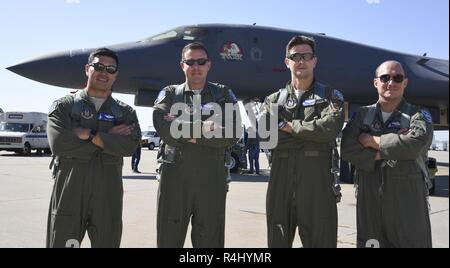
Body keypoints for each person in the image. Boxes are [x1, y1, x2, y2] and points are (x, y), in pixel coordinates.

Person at [46, 48, 141, 248]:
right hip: (70, 190)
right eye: (98, 66)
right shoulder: (65, 106)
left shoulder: (125, 112)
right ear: (87, 69)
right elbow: (59, 144)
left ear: (116, 75)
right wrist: (108, 140)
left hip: (108, 193)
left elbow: (129, 147)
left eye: (110, 69)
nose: (103, 72)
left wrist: (90, 135)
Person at [153, 42, 241, 248]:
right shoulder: (170, 93)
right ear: (182, 65)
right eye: (190, 62)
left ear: (209, 64)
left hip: (212, 178)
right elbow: (162, 125)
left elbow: (234, 131)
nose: (196, 66)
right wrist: (206, 128)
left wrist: (182, 128)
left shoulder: (223, 94)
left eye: (201, 61)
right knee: (169, 238)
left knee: (209, 239)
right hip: (174, 177)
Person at [260, 35, 344, 248]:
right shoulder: (272, 100)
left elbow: (329, 130)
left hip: (318, 183)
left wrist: (289, 127)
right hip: (281, 182)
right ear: (286, 61)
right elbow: (267, 137)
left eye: (306, 56)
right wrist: (310, 135)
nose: (301, 60)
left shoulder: (331, 96)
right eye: (295, 56)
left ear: (314, 60)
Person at [341, 60, 433, 248]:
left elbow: (415, 145)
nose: (391, 83)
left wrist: (371, 142)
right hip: (370, 205)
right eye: (385, 78)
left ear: (405, 83)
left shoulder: (418, 115)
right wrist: (389, 151)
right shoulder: (362, 115)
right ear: (376, 82)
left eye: (397, 78)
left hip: (408, 205)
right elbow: (347, 148)